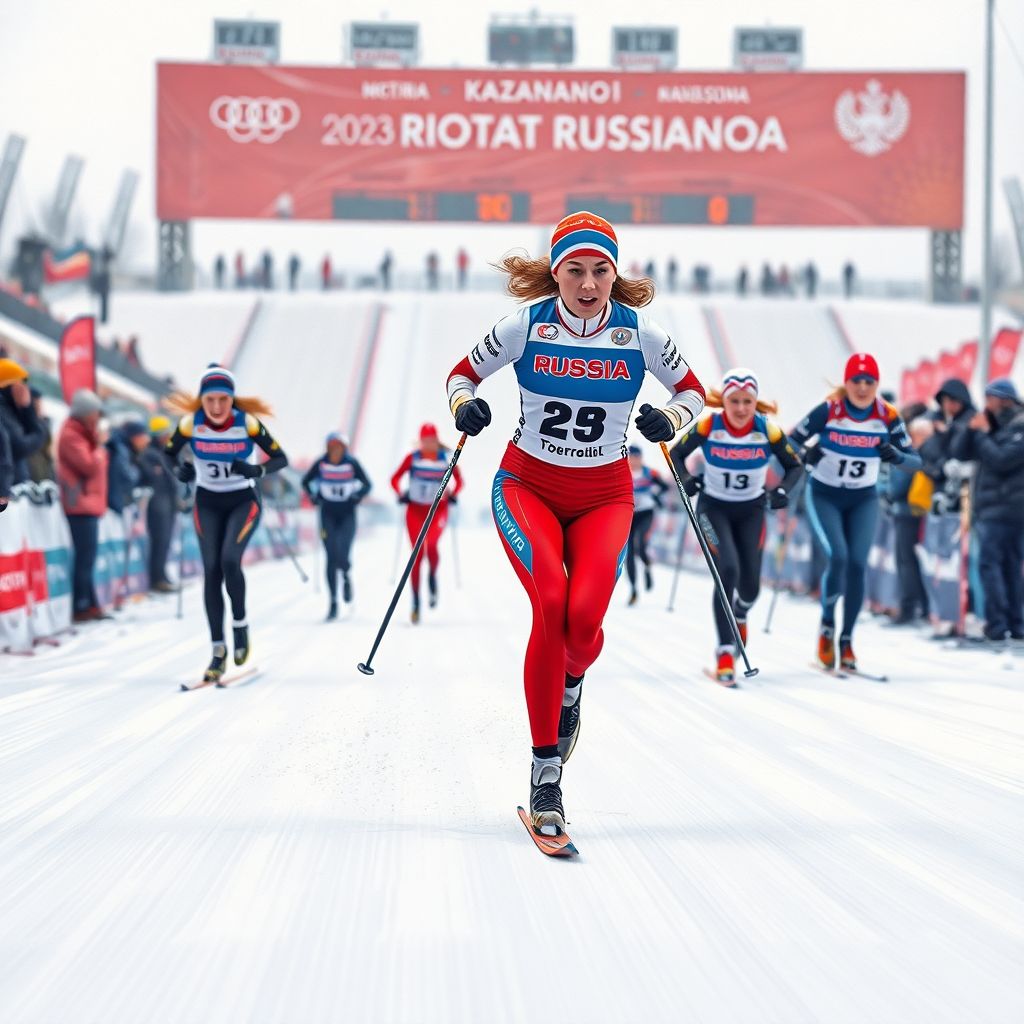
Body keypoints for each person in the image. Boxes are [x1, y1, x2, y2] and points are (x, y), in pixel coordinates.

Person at [445, 210, 706, 838]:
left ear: (614, 275)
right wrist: (467, 404)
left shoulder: (640, 335)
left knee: (584, 625)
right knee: (551, 604)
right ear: (555, 273)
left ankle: (570, 686)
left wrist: (671, 421)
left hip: (605, 496)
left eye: (600, 270)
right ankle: (545, 777)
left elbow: (695, 393)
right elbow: (461, 374)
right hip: (527, 485)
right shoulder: (524, 326)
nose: (588, 284)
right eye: (575, 270)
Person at [790, 353, 921, 671]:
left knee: (858, 565)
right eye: (856, 381)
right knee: (839, 557)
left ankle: (846, 640)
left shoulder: (886, 415)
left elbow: (917, 462)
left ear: (876, 384)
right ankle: (826, 627)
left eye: (869, 382)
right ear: (846, 383)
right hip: (825, 496)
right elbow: (789, 441)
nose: (862, 388)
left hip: (863, 499)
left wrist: (895, 455)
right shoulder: (830, 411)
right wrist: (808, 453)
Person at [671, 368, 802, 683]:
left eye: (747, 401)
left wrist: (782, 490)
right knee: (726, 569)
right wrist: (687, 479)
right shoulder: (709, 425)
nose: (741, 408)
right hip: (712, 510)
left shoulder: (767, 430)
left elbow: (794, 467)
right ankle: (725, 649)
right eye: (735, 401)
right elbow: (676, 454)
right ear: (724, 401)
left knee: (751, 587)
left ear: (755, 402)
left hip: (751, 511)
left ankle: (740, 613)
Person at [165, 365, 289, 682]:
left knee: (230, 561)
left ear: (232, 400)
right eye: (210, 401)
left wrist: (255, 472)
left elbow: (280, 459)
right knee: (211, 570)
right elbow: (167, 455)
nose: (217, 407)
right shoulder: (191, 424)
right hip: (207, 503)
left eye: (223, 400)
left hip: (242, 502)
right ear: (202, 401)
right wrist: (181, 471)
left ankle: (241, 625)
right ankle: (218, 652)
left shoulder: (246, 423)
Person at [950, 378, 1024, 642]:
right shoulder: (992, 424)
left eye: (990, 398)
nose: (986, 403)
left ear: (1003, 399)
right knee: (1005, 567)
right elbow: (959, 453)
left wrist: (981, 434)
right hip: (991, 508)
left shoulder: (1019, 426)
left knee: (999, 566)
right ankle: (1012, 625)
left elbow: (1002, 460)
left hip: (1008, 509)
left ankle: (1001, 625)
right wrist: (972, 430)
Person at [390, 423, 463, 622]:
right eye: (425, 441)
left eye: (432, 440)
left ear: (436, 440)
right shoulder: (412, 459)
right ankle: (415, 601)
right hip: (415, 510)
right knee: (416, 554)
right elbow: (394, 479)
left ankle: (432, 576)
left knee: (431, 544)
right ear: (420, 441)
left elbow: (460, 481)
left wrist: (454, 495)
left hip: (438, 511)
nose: (429, 444)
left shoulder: (445, 460)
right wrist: (400, 495)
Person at [302, 432, 372, 619]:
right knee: (331, 555)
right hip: (327, 514)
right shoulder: (321, 463)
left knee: (342, 553)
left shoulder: (351, 463)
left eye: (339, 446)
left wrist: (357, 495)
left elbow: (367, 484)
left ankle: (346, 575)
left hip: (347, 514)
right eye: (332, 446)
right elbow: (305, 481)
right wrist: (314, 496)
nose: (335, 450)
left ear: (344, 448)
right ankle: (333, 601)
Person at [56, 389, 109, 622]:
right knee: (84, 558)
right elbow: (88, 465)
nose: (98, 418)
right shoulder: (71, 435)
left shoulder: (82, 434)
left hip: (87, 504)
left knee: (88, 557)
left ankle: (91, 603)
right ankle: (82, 605)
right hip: (79, 504)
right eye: (96, 413)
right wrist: (99, 450)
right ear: (86, 413)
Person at [887, 418, 935, 625]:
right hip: (915, 512)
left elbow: (897, 487)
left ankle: (911, 608)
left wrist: (888, 493)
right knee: (912, 561)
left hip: (909, 512)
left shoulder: (913, 456)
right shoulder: (925, 452)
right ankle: (920, 607)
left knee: (907, 561)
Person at [624, 445, 668, 605]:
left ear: (641, 458)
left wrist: (656, 496)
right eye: (631, 457)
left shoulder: (650, 473)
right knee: (628, 552)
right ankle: (634, 590)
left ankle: (647, 566)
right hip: (629, 515)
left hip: (646, 513)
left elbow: (665, 486)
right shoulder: (623, 471)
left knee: (640, 543)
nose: (634, 461)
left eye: (637, 457)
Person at [139, 415, 178, 593]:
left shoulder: (165, 453)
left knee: (166, 541)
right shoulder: (149, 454)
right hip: (157, 503)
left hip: (168, 502)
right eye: (165, 433)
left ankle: (162, 575)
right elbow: (152, 476)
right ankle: (157, 579)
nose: (169, 436)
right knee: (159, 541)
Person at [0, 357, 46, 484]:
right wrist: (39, 431)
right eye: (20, 382)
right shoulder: (3, 410)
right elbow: (19, 446)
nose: (24, 388)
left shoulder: (13, 410)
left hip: (16, 486)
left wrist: (27, 409)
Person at [107, 420, 146, 516]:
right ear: (135, 437)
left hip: (119, 503)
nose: (145, 441)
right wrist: (137, 468)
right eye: (142, 437)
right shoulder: (122, 451)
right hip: (115, 505)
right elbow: (129, 477)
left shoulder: (127, 450)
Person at [26, 387, 55, 483]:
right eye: (36, 404)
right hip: (30, 476)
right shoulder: (25, 424)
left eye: (40, 404)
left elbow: (48, 453)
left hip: (42, 477)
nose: (39, 408)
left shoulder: (43, 425)